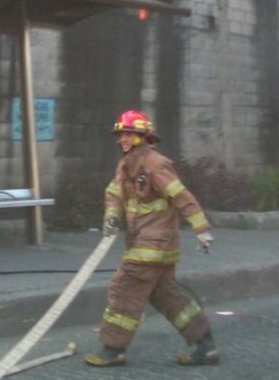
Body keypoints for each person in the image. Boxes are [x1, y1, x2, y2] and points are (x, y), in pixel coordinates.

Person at [84, 109, 219, 368]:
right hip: (144, 243)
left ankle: (113, 349)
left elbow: (182, 196)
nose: (124, 139)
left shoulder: (156, 165)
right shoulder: (126, 165)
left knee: (124, 289)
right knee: (165, 295)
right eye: (122, 134)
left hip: (153, 246)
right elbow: (114, 194)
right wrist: (112, 218)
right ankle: (205, 345)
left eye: (130, 134)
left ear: (143, 136)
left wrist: (202, 229)